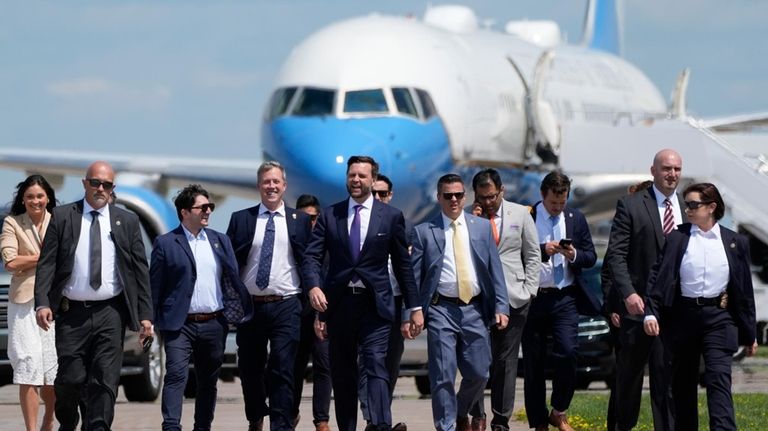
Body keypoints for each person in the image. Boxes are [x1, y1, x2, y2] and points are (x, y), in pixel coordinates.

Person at [303, 155, 423, 431]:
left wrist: (414, 307)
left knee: (375, 364)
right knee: (343, 373)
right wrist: (313, 287)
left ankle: (380, 424)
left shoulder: (391, 217)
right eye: (351, 175)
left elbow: (404, 267)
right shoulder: (330, 215)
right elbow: (311, 258)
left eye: (361, 176)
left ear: (372, 179)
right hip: (340, 306)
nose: (356, 180)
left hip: (376, 305)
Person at [34, 161, 153, 431]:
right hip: (71, 312)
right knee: (70, 379)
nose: (101, 188)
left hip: (111, 313)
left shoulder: (127, 221)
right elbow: (47, 264)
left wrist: (145, 316)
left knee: (104, 380)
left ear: (113, 189)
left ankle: (97, 427)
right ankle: (69, 420)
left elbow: (139, 271)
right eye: (96, 183)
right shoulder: (63, 216)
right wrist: (42, 302)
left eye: (107, 185)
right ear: (85, 183)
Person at [644, 182, 758, 430]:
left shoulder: (735, 242)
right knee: (683, 385)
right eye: (687, 205)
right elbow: (659, 278)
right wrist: (650, 313)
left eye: (694, 205)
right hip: (683, 319)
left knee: (718, 378)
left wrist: (750, 335)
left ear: (712, 207)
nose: (688, 210)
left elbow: (744, 292)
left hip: (719, 318)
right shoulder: (677, 237)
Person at [410, 173, 510, 431]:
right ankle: (446, 426)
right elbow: (414, 278)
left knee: (480, 373)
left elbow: (494, 270)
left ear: (465, 197)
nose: (453, 200)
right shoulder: (424, 232)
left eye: (458, 195)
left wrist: (501, 306)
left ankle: (458, 410)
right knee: (442, 375)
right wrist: (414, 311)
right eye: (447, 195)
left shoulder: (481, 227)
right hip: (441, 309)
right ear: (438, 198)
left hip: (475, 308)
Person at [151, 184, 253, 431]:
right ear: (185, 212)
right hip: (180, 324)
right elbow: (155, 286)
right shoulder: (166, 243)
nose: (208, 211)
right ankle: (172, 426)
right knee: (176, 375)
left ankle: (202, 427)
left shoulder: (220, 241)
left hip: (213, 323)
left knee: (208, 381)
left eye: (211, 207)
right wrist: (149, 321)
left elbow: (230, 278)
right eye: (202, 207)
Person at [226, 161, 313, 431]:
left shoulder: (300, 222)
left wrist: (314, 292)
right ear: (259, 186)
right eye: (266, 182)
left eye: (276, 182)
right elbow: (229, 263)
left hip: (287, 303)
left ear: (284, 186)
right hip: (251, 307)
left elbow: (309, 261)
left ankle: (281, 424)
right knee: (251, 369)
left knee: (283, 367)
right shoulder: (242, 219)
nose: (271, 186)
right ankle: (255, 415)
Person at [603, 149, 682, 431]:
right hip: (637, 311)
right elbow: (616, 256)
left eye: (676, 169)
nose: (672, 174)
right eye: (666, 168)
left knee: (668, 382)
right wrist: (627, 294)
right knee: (629, 380)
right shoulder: (632, 205)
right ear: (653, 170)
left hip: (675, 311)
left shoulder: (689, 207)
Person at [522, 171, 597, 431]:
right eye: (554, 203)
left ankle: (559, 410)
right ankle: (539, 420)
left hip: (565, 297)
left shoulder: (575, 218)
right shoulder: (527, 217)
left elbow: (590, 256)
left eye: (562, 202)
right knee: (534, 362)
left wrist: (573, 253)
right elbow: (514, 252)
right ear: (543, 196)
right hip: (533, 298)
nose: (557, 208)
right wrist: (544, 250)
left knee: (568, 353)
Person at [468, 168, 540, 431]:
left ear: (501, 192)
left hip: (514, 296)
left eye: (492, 197)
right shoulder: (466, 217)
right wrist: (471, 222)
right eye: (482, 197)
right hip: (477, 300)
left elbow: (533, 254)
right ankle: (477, 415)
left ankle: (501, 420)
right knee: (476, 361)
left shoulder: (520, 214)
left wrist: (529, 290)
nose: (487, 202)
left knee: (505, 362)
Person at [1, 174, 58, 431]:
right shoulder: (13, 222)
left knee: (51, 368)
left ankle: (49, 418)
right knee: (28, 365)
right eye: (30, 197)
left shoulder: (59, 220)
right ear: (23, 200)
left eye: (40, 196)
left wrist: (30, 259)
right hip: (23, 303)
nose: (35, 201)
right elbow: (11, 262)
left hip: (55, 302)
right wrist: (46, 257)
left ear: (48, 198)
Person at [359, 174, 408, 431]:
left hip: (396, 302)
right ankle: (375, 420)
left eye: (383, 194)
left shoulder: (398, 223)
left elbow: (408, 271)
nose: (379, 198)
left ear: (390, 195)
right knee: (369, 361)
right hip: (367, 302)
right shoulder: (360, 225)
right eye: (374, 193)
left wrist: (413, 310)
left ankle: (380, 416)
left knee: (390, 363)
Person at [291, 193, 333, 431]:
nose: (311, 223)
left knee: (323, 365)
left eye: (315, 217)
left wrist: (324, 314)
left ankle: (322, 420)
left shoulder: (328, 244)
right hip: (295, 314)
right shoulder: (291, 243)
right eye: (305, 218)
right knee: (294, 367)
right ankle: (292, 412)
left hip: (322, 314)